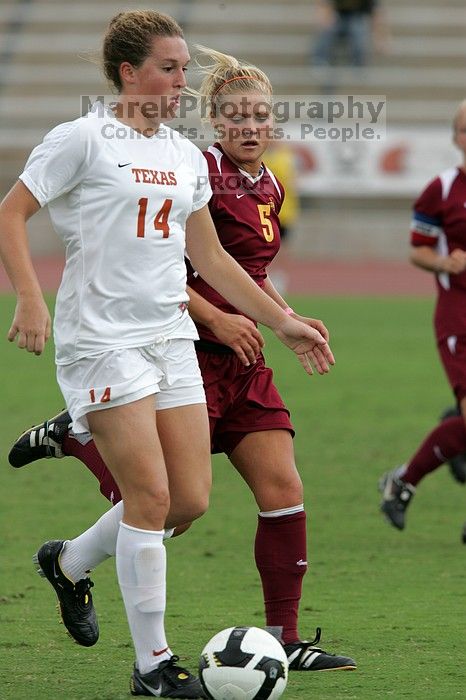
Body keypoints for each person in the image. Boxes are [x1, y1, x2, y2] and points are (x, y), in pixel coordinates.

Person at [0, 11, 336, 698]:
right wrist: (30, 298)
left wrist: (282, 322)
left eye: (185, 68)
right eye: (170, 68)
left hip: (171, 340)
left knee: (189, 500)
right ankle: (153, 665)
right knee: (149, 496)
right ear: (130, 72)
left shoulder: (184, 157)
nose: (184, 82)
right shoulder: (84, 138)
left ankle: (66, 563)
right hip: (102, 341)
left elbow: (210, 256)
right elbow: (10, 213)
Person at [379, 99, 466, 538]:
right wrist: (442, 263)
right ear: (456, 139)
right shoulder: (443, 190)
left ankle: (402, 482)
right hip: (459, 318)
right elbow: (418, 249)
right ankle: (403, 480)